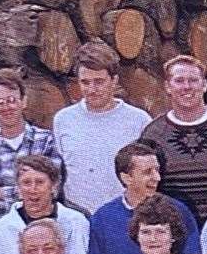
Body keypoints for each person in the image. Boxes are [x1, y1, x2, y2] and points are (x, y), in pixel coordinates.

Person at [53, 41, 153, 213]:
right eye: (85, 82)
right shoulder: (64, 120)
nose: (92, 89)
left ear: (114, 80)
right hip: (78, 213)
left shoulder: (138, 120)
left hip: (127, 213)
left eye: (99, 82)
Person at [141, 55, 207, 224]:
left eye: (193, 80)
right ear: (167, 86)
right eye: (179, 81)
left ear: (204, 85)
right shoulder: (154, 133)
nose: (186, 87)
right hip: (176, 229)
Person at [87, 140, 202, 254]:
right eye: (148, 172)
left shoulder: (178, 210)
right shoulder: (103, 219)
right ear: (127, 178)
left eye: (157, 170)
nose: (157, 178)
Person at [0, 155, 91, 254]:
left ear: (54, 186)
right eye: (26, 183)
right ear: (18, 188)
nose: (32, 189)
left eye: (40, 182)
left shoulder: (76, 222)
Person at [0, 67, 61, 216]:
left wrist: (0, 192)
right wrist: (26, 195)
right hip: (2, 231)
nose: (6, 107)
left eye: (11, 100)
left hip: (44, 227)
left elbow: (52, 190)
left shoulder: (46, 141)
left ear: (23, 101)